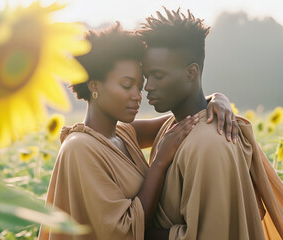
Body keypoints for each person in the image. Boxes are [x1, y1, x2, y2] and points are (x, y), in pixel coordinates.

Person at [139, 8, 283, 240]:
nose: (148, 86)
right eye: (147, 76)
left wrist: (137, 233)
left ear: (191, 73)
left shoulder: (211, 142)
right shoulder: (173, 129)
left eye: (158, 75)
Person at [38, 24, 236, 240]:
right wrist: (159, 162)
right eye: (126, 85)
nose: (138, 95)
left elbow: (183, 120)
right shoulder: (79, 148)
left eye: (139, 87)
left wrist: (217, 99)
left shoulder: (122, 134)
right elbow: (122, 232)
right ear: (95, 86)